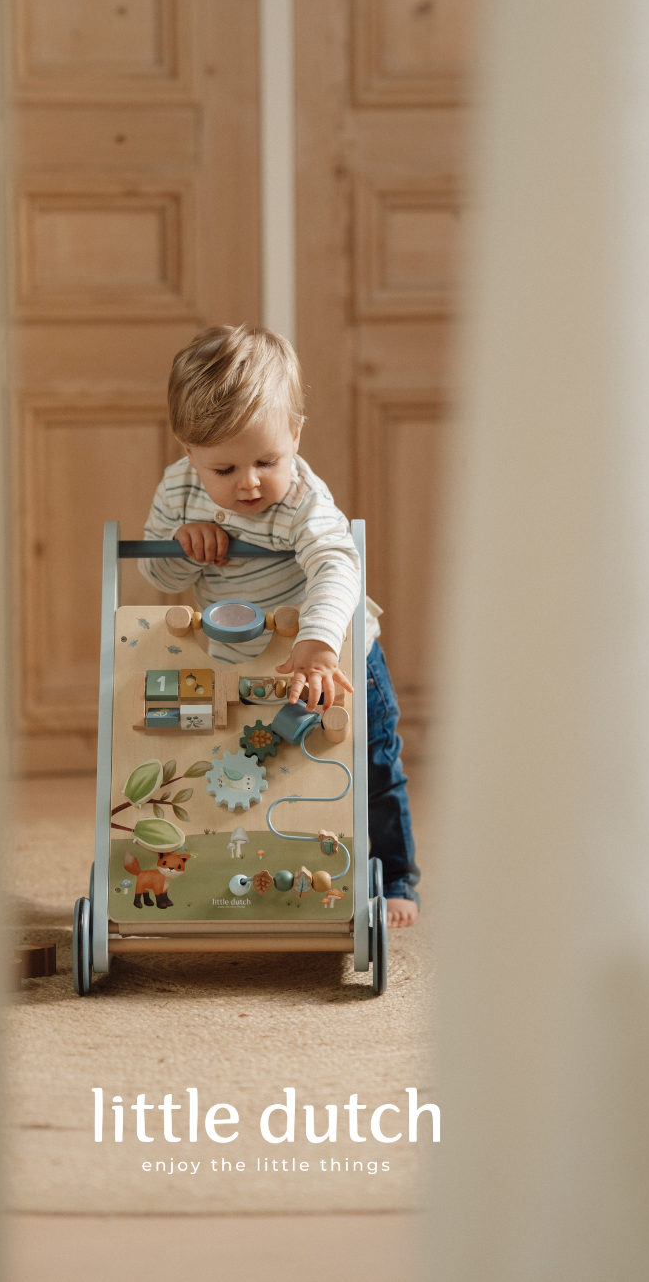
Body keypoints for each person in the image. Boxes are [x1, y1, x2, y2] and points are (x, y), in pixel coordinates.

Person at [138, 324, 419, 927]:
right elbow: (159, 573)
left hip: (334, 655)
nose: (249, 482)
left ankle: (396, 876)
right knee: (255, 763)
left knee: (372, 764)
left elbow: (337, 565)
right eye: (224, 468)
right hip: (244, 656)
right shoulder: (179, 489)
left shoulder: (302, 501)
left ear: (294, 434)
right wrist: (186, 545)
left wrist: (319, 644)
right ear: (188, 450)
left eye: (267, 461)